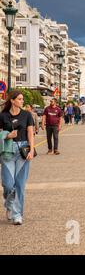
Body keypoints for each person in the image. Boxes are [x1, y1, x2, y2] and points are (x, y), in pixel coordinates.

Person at [0, 90, 35, 225]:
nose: (22, 101)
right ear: (12, 100)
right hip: (7, 151)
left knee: (20, 184)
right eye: (19, 99)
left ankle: (17, 214)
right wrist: (8, 136)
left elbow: (31, 134)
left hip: (23, 150)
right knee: (8, 184)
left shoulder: (27, 115)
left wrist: (31, 150)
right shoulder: (3, 116)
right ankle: (9, 204)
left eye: (22, 99)